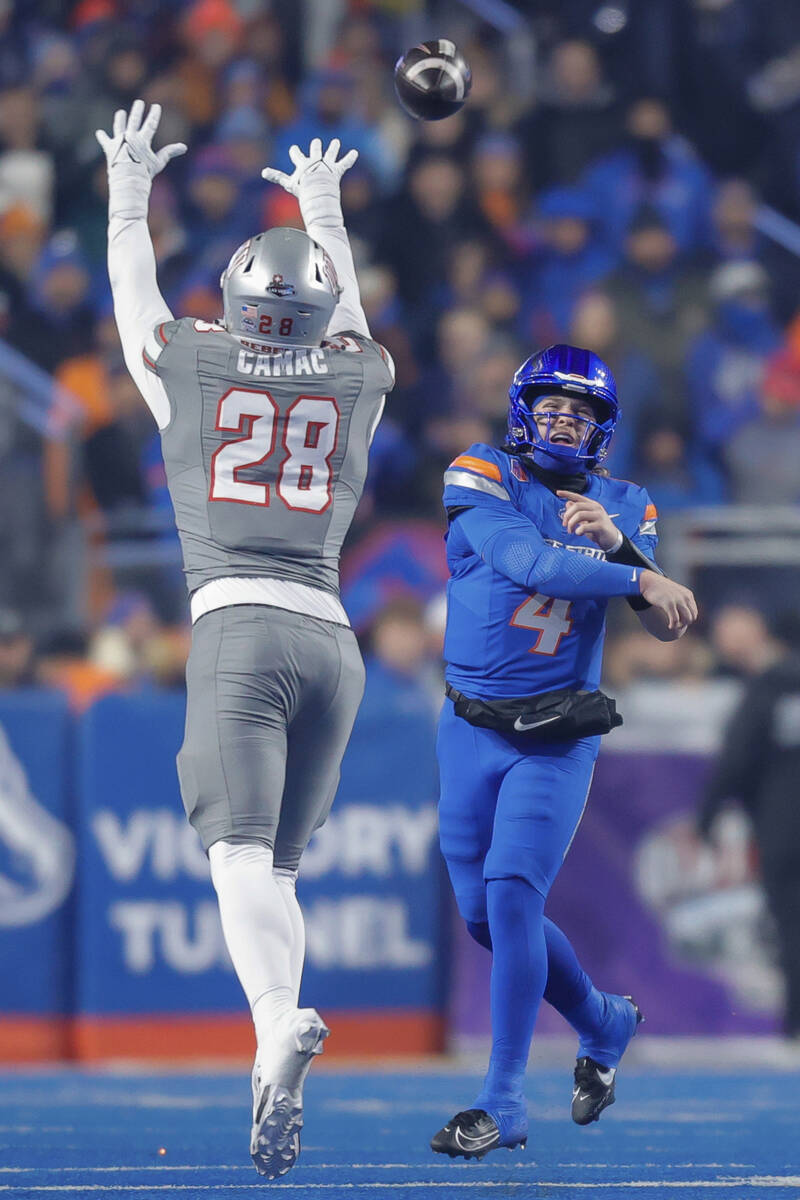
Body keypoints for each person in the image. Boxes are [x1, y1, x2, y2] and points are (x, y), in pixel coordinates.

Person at [96, 101, 394, 1178]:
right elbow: (348, 309)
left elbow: (132, 294)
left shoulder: (192, 362)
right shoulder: (361, 373)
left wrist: (129, 188)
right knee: (279, 871)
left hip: (237, 624)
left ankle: (273, 1023)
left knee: (234, 858)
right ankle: (268, 1053)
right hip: (334, 642)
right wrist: (321, 204)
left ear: (231, 299)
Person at [432, 343, 697, 1159]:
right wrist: (634, 575)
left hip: (557, 734)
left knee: (513, 895)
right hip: (471, 726)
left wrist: (625, 548)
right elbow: (529, 562)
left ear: (605, 428)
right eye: (549, 406)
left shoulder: (628, 503)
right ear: (521, 412)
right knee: (483, 918)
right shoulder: (481, 471)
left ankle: (501, 1101)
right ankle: (603, 1020)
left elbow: (666, 623)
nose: (562, 421)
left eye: (580, 412)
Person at [698, 612, 800, 1042]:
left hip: (785, 827)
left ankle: (795, 1024)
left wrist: (707, 815)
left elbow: (736, 761)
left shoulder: (766, 688)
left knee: (793, 925)